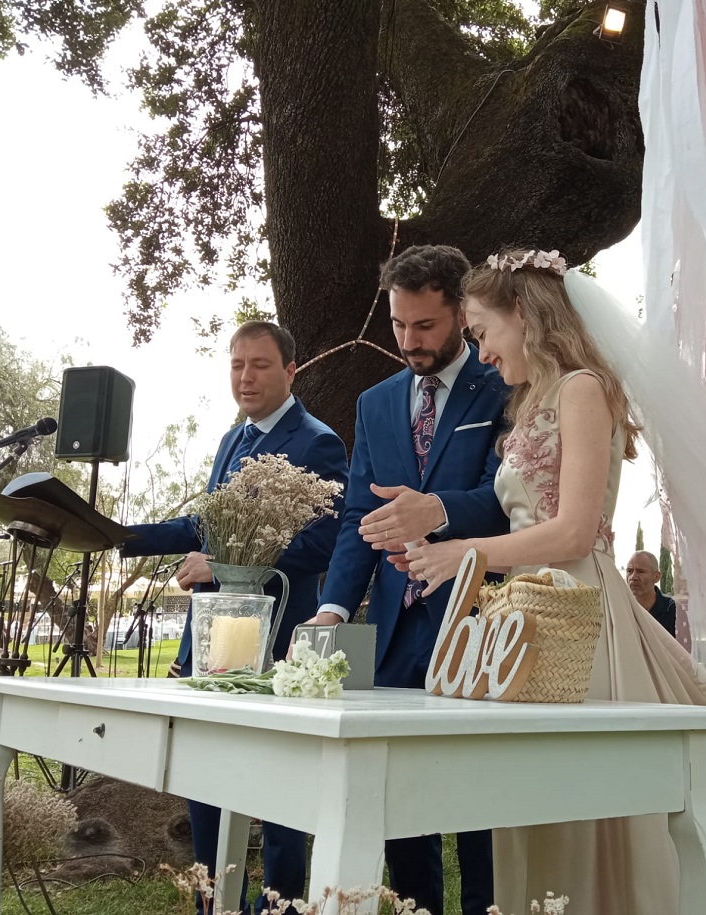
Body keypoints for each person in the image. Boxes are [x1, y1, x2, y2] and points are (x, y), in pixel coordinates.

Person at [402, 249, 706, 915]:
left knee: (591, 812)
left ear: (523, 312)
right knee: (534, 807)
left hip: (583, 620)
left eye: (482, 331)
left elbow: (575, 531)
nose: (479, 351)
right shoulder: (530, 400)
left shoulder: (583, 388)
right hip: (525, 623)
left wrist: (466, 553)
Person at [121, 320, 348, 914]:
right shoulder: (230, 441)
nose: (245, 377)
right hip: (211, 647)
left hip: (274, 648)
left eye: (260, 365)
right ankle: (213, 906)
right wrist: (117, 536)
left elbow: (322, 543)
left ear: (291, 370)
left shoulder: (318, 442)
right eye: (236, 365)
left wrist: (220, 565)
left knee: (277, 801)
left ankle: (281, 908)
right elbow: (204, 526)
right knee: (204, 789)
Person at [308, 244, 508, 915]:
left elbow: (508, 496)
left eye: (424, 326)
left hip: (480, 617)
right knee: (403, 802)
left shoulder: (503, 382)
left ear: (459, 310)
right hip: (394, 626)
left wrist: (438, 511)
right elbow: (361, 514)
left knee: (480, 796)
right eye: (398, 325)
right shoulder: (375, 401)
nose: (408, 341)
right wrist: (335, 605)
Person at [626, 549, 692, 652]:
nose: (633, 577)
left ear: (657, 577)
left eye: (640, 571)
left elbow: (683, 655)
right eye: (629, 571)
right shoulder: (621, 609)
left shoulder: (674, 610)